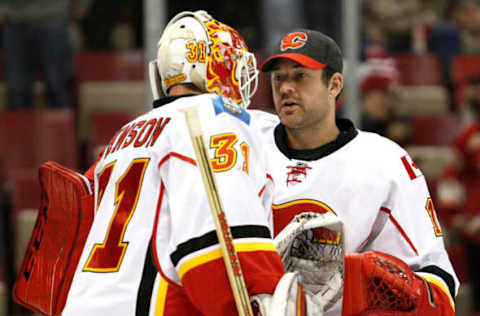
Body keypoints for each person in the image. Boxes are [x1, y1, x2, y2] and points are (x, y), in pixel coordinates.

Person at [50, 11, 320, 316]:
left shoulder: (123, 137)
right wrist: (265, 295)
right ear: (217, 65)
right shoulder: (215, 117)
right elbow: (218, 252)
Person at [254, 28, 459, 315]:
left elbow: (436, 282)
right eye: (279, 78)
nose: (286, 88)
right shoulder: (246, 140)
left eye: (300, 76)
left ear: (334, 85)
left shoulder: (384, 162)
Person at [0, 0, 88, 109]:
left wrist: (82, 4)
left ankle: (61, 125)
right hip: (13, 22)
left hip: (54, 20)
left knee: (57, 86)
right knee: (17, 89)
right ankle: (20, 126)